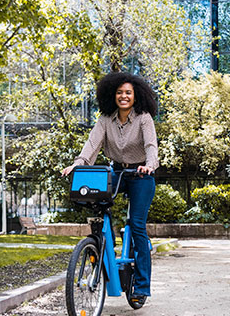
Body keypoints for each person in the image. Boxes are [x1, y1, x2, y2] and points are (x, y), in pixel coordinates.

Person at [62, 72, 158, 309]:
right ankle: (101, 245)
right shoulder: (106, 119)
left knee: (136, 225)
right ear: (112, 95)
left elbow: (150, 146)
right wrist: (77, 164)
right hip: (116, 171)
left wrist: (150, 165)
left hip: (140, 173)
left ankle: (142, 285)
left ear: (136, 96)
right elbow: (92, 145)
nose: (123, 96)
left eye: (128, 93)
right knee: (97, 203)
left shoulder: (143, 118)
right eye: (119, 92)